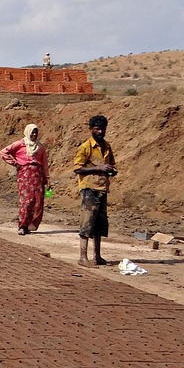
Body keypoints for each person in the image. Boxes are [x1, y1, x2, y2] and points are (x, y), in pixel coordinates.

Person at [72, 114, 117, 267]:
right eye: (97, 129)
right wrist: (98, 168)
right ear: (91, 129)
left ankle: (97, 256)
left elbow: (111, 164)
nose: (100, 132)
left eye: (102, 129)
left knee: (99, 224)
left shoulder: (107, 146)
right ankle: (82, 257)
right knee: (87, 222)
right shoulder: (85, 147)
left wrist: (110, 171)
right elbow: (77, 168)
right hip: (89, 188)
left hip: (102, 188)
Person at [0, 123, 49, 235]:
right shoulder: (20, 144)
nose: (34, 134)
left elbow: (44, 164)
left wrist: (47, 179)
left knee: (38, 201)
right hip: (25, 175)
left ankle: (31, 225)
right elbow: (3, 152)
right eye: (32, 132)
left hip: (38, 175)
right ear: (28, 132)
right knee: (26, 201)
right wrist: (15, 164)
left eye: (36, 132)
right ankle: (22, 225)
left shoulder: (40, 147)